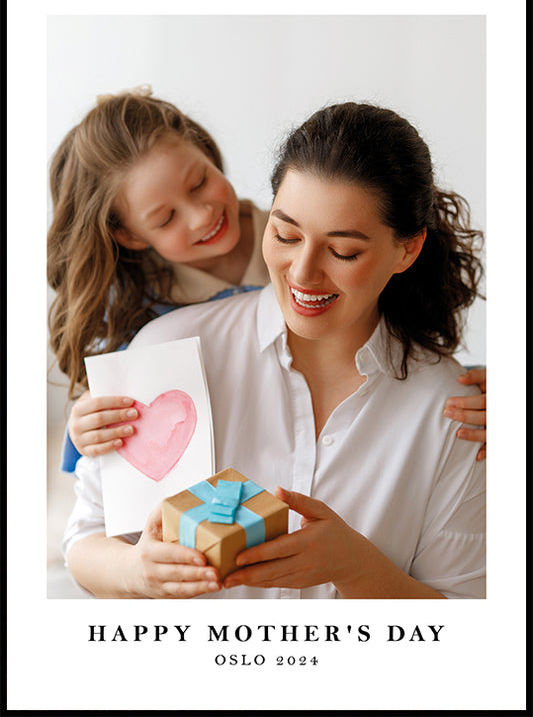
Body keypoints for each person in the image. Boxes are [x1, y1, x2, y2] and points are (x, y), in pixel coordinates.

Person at [62, 101, 486, 599]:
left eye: (343, 251)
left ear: (407, 249)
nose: (303, 273)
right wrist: (137, 571)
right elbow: (86, 539)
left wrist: (356, 568)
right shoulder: (164, 348)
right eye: (285, 234)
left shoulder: (457, 413)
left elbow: (464, 623)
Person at [47, 88, 486, 467]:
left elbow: (388, 359)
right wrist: (83, 429)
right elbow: (107, 482)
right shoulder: (142, 323)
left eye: (200, 182)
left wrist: (470, 389)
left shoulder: (309, 225)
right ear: (128, 234)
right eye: (165, 218)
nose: (202, 215)